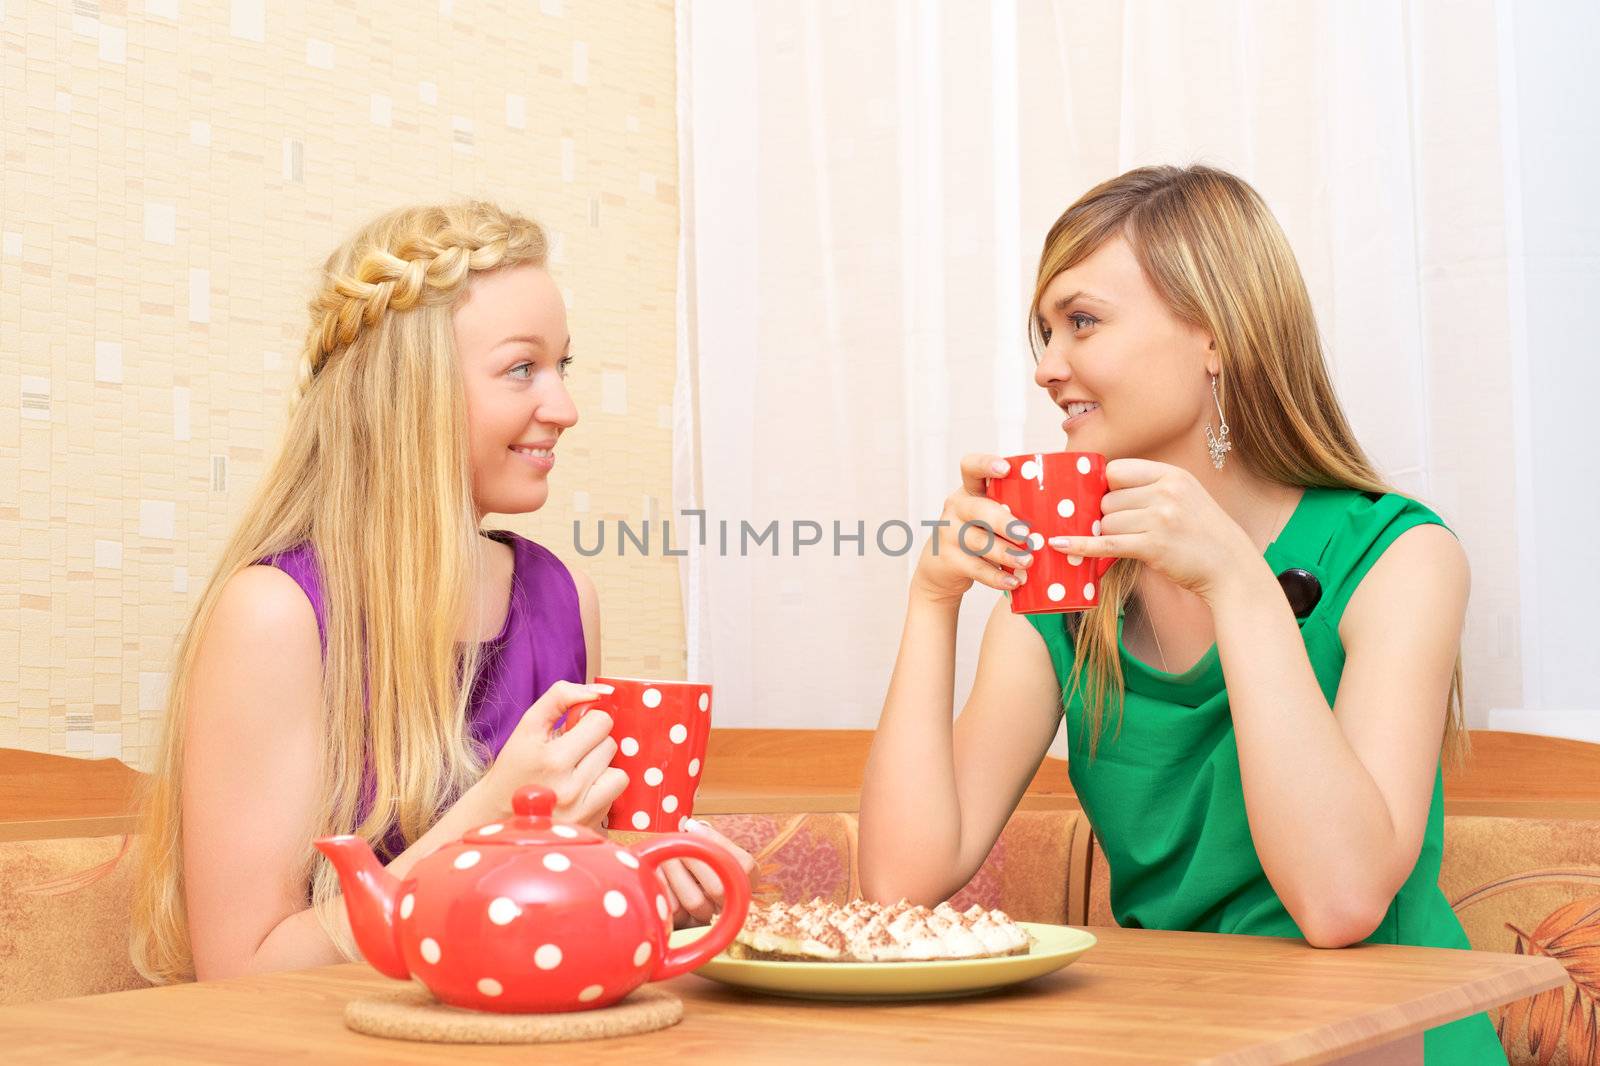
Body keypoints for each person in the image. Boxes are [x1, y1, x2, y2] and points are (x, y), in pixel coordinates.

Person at [859, 165, 1500, 1062]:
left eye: (1081, 322)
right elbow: (898, 884)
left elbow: (1340, 902)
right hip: (1179, 1034)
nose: (1047, 368)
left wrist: (1236, 584)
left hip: (1382, 1039)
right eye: (1042, 333)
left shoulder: (1397, 555)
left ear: (1215, 336)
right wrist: (933, 603)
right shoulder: (1068, 581)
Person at [130, 200, 751, 983]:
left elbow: (543, 918)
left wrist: (645, 871)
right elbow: (243, 974)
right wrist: (492, 814)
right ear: (411, 389)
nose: (565, 407)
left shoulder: (565, 601)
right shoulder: (276, 616)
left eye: (563, 366)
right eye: (523, 368)